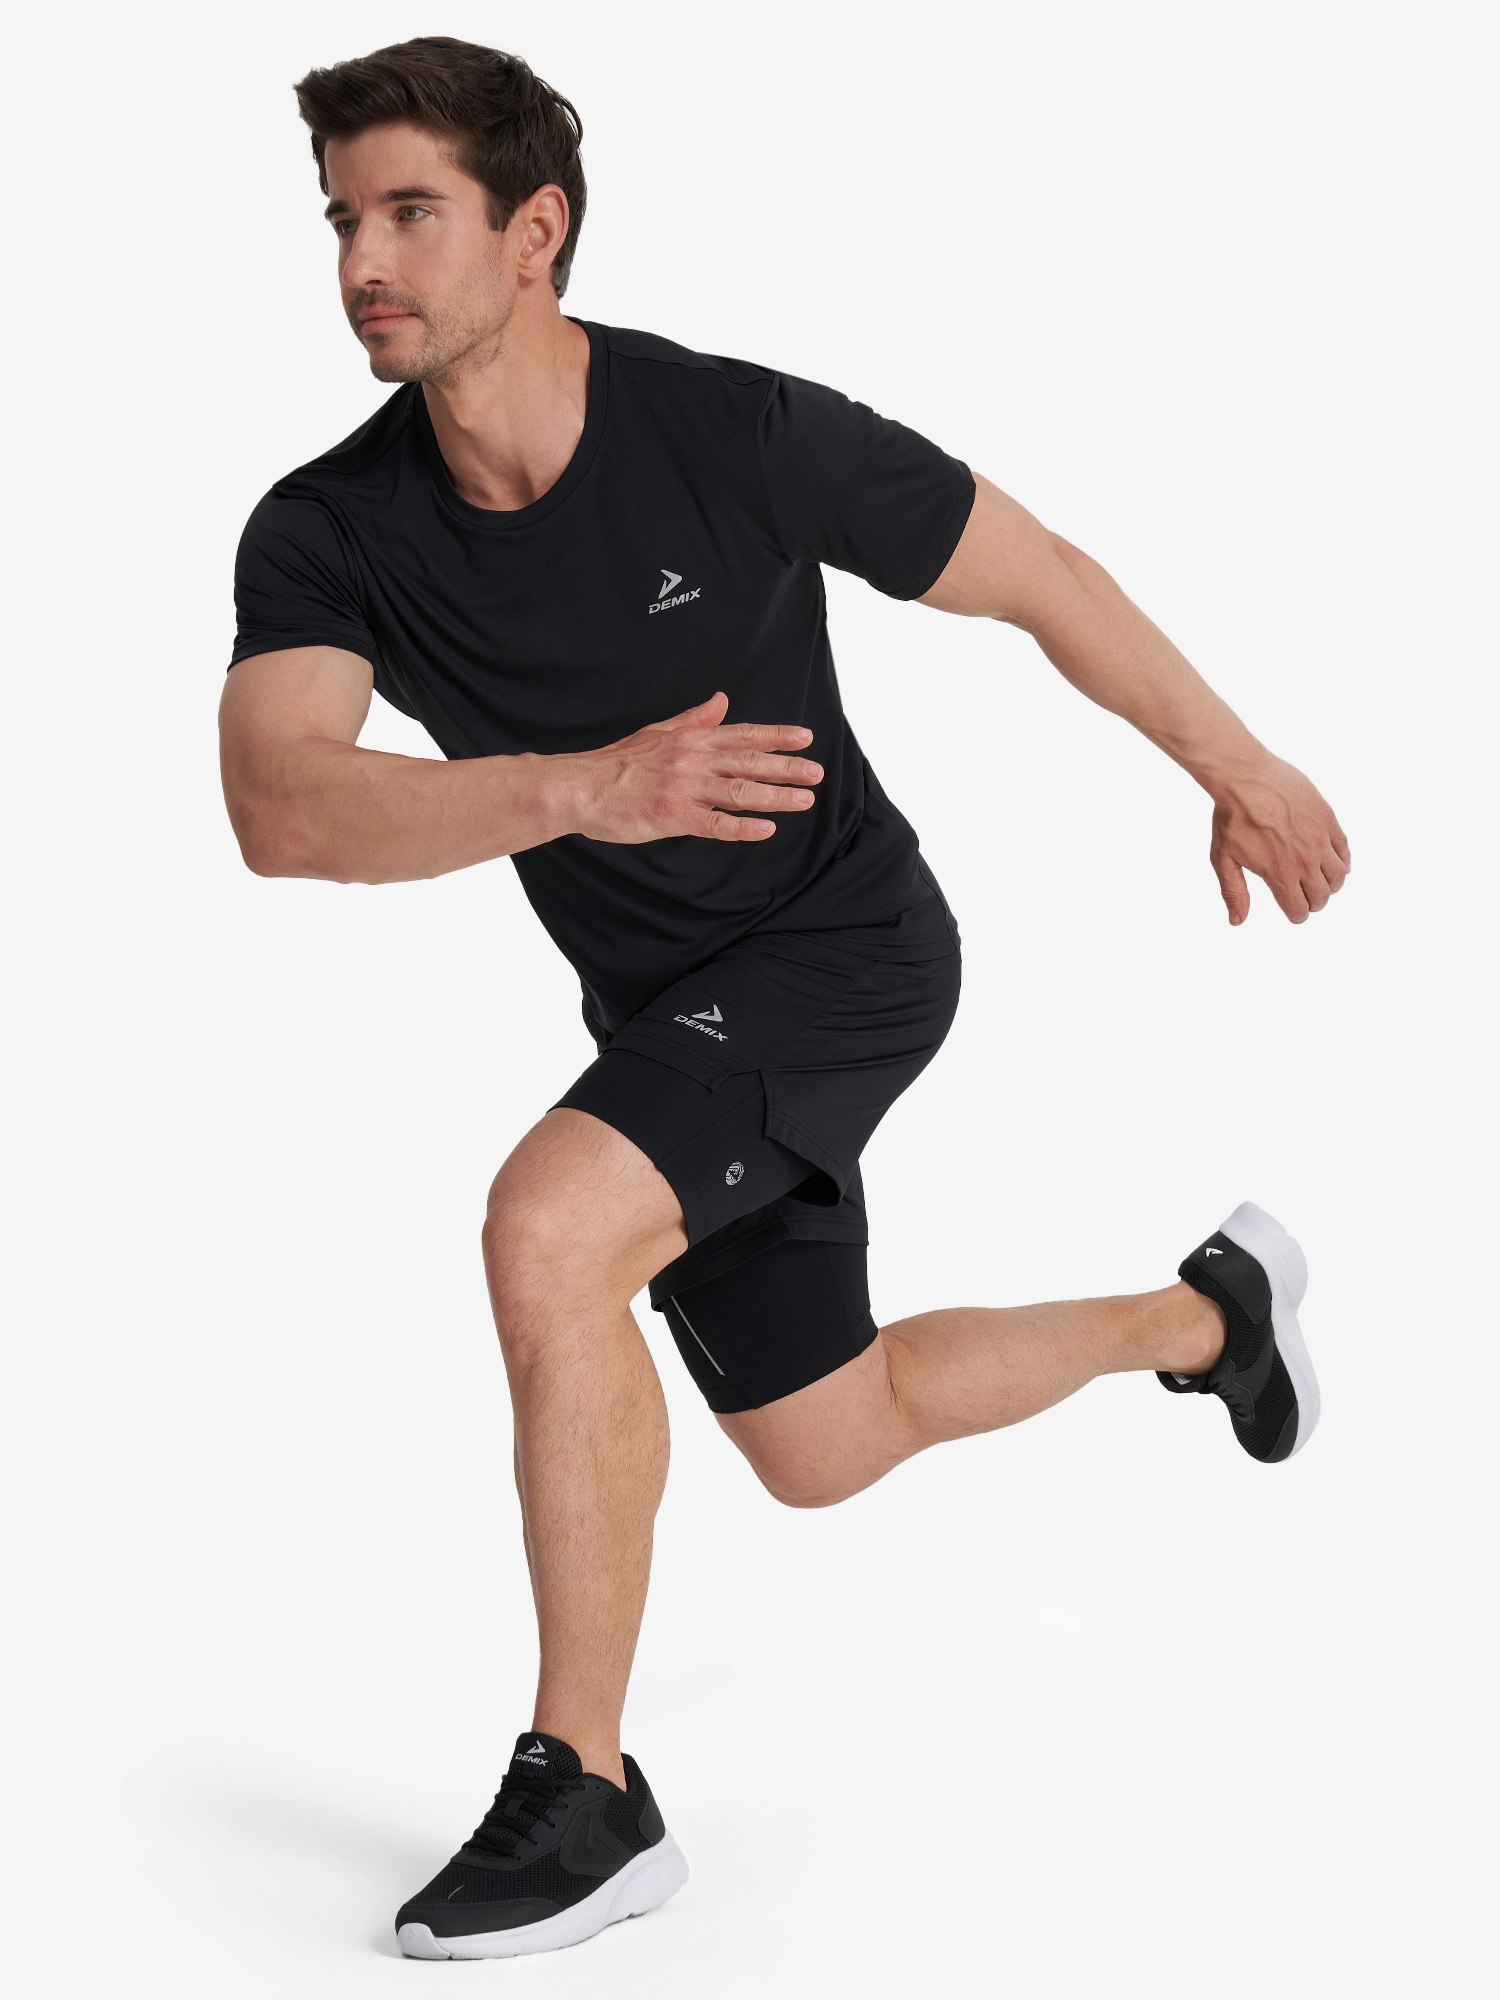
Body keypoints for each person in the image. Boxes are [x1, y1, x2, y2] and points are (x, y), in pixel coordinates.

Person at [219, 36, 1350, 1961]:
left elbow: (1036, 572)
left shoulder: (725, 428)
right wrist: (588, 790)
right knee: (827, 1444)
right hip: (666, 1013)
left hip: (846, 954)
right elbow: (282, 807)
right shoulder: (330, 528)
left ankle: (588, 1793)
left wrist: (1239, 767)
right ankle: (1210, 1314)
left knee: (548, 1229)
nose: (362, 264)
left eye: (411, 212)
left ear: (535, 231)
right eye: (341, 219)